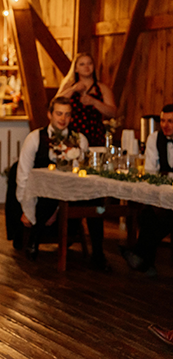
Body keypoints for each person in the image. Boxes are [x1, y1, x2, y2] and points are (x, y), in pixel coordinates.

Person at [16, 96, 111, 270]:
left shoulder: (80, 139)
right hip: (43, 192)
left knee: (96, 202)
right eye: (59, 114)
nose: (63, 119)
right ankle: (34, 241)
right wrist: (26, 207)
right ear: (49, 114)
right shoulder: (35, 137)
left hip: (73, 192)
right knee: (47, 195)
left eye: (67, 115)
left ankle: (98, 254)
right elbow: (23, 173)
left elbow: (83, 169)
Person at [121, 104, 173, 276]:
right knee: (149, 213)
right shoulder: (154, 138)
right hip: (164, 190)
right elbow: (151, 169)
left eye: (171, 121)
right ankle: (145, 261)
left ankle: (141, 257)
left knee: (157, 216)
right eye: (163, 121)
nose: (165, 125)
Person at [56, 52, 117, 146]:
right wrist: (73, 90)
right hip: (73, 135)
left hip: (95, 134)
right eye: (82, 64)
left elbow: (113, 112)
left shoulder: (102, 88)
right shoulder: (69, 86)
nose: (86, 67)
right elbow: (55, 103)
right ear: (76, 68)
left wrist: (94, 102)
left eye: (89, 63)